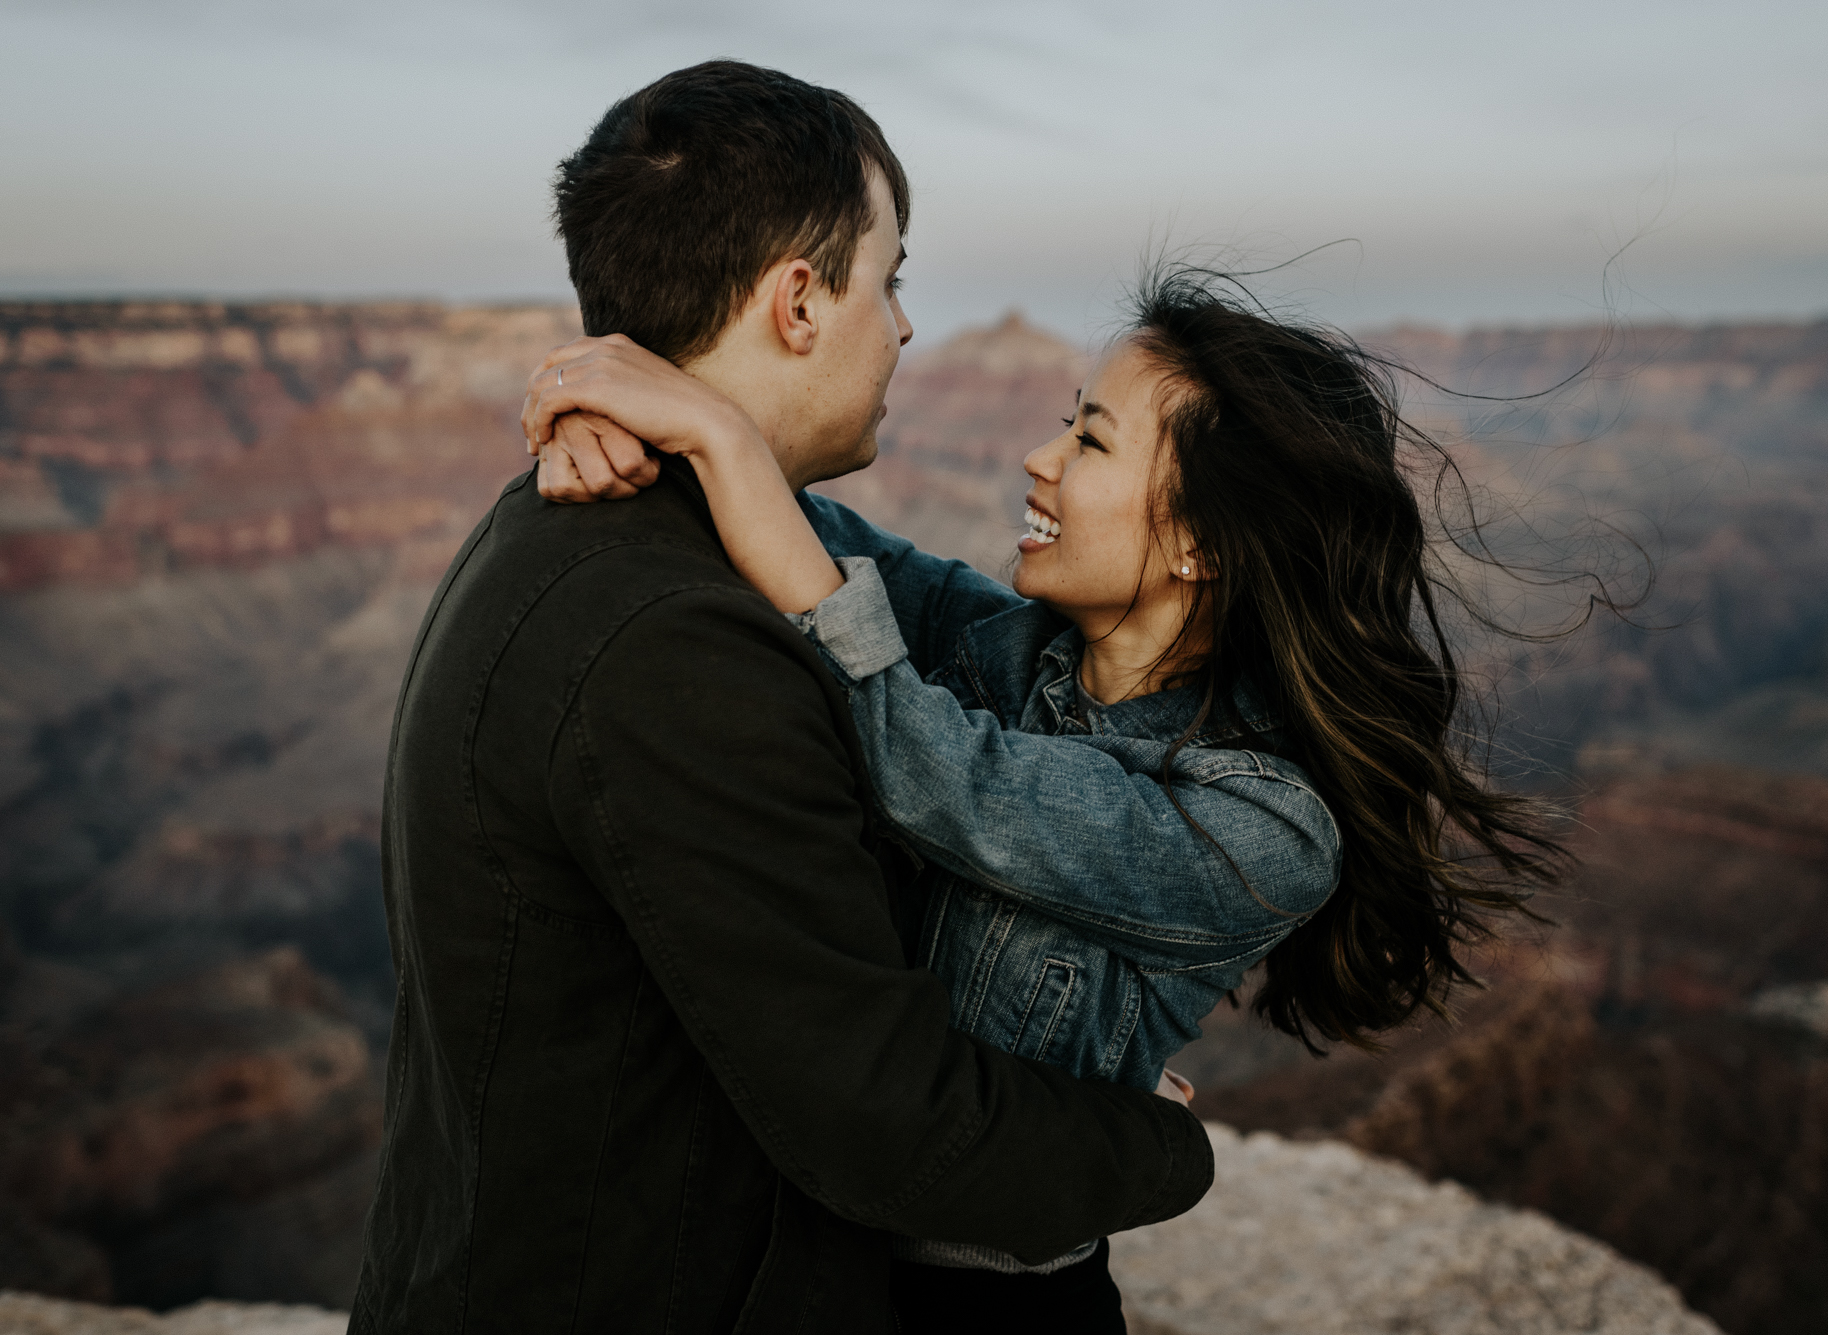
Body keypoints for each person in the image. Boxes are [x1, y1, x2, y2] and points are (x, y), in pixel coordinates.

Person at [523, 265, 1565, 1329]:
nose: (1038, 457)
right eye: (1064, 423)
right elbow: (808, 533)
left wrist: (723, 444)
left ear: (1202, 541)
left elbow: (948, 780)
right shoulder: (1001, 646)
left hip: (990, 1308)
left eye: (1091, 441)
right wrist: (631, 437)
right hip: (814, 1266)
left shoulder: (1262, 825)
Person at [350, 61, 1214, 1335]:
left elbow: (929, 611)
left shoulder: (635, 532)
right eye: (892, 276)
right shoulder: (676, 640)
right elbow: (882, 1118)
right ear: (798, 303)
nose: (908, 327)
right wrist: (1157, 1148)